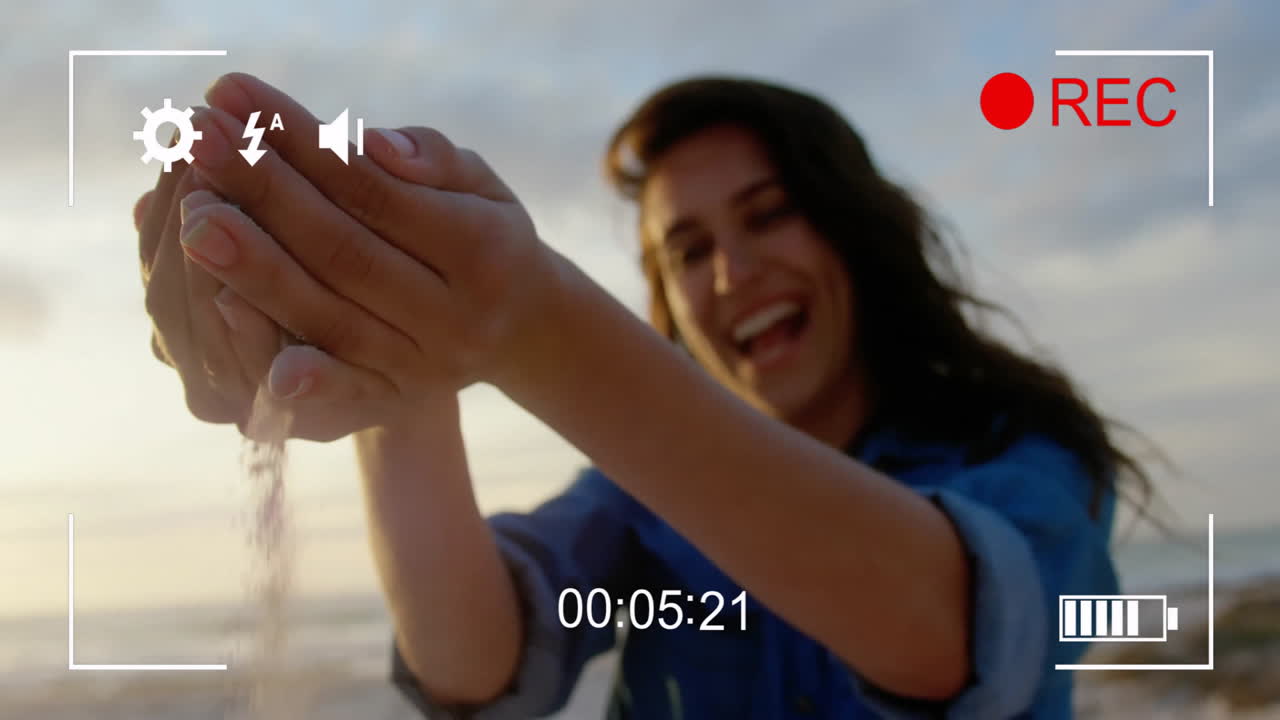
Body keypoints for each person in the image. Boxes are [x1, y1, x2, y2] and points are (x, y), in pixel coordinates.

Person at [134, 72, 1152, 718]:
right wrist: (392, 369)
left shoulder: (1024, 452)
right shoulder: (632, 500)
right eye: (688, 250)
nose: (729, 275)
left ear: (857, 231)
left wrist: (526, 321)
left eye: (767, 218)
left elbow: (954, 634)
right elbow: (471, 662)